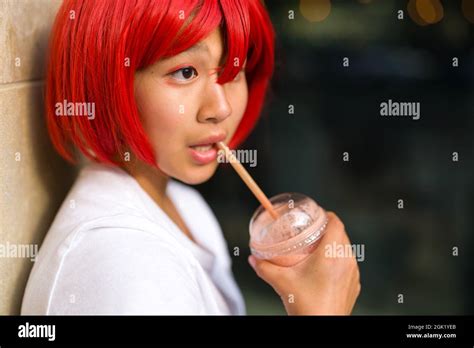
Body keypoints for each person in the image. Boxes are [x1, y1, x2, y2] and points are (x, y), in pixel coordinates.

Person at [21, 0, 360, 315]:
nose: (221, 108)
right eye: (185, 72)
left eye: (233, 71)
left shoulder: (187, 208)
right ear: (107, 80)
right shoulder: (123, 263)